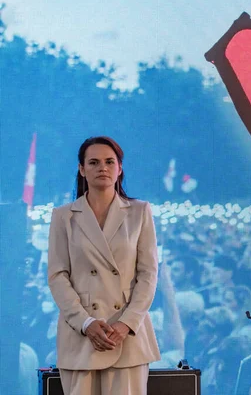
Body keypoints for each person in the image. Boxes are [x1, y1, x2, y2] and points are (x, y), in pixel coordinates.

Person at [48, 136, 160, 394]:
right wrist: (86, 323)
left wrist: (127, 324)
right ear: (82, 169)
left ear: (120, 168)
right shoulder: (63, 216)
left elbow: (148, 274)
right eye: (94, 162)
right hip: (80, 336)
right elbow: (57, 276)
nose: (103, 168)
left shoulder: (140, 212)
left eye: (110, 162)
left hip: (128, 337)